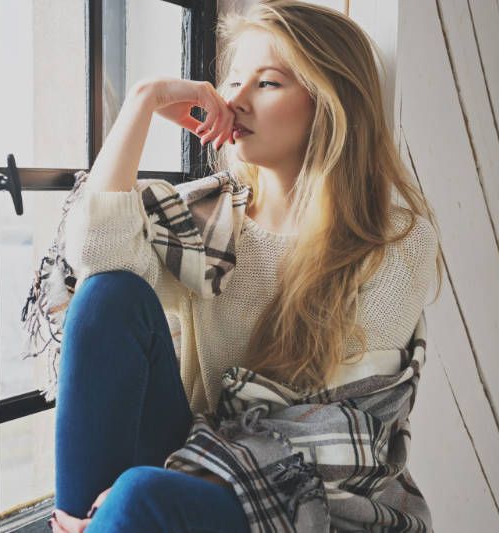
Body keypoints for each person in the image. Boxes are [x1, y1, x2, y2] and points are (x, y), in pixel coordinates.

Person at [49, 0, 442, 531]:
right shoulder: (207, 219)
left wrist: (185, 475)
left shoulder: (390, 240)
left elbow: (337, 430)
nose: (234, 100)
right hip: (194, 452)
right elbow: (97, 262)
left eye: (268, 83)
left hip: (312, 492)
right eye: (233, 81)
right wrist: (143, 102)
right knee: (108, 296)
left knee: (139, 495)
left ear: (328, 103)